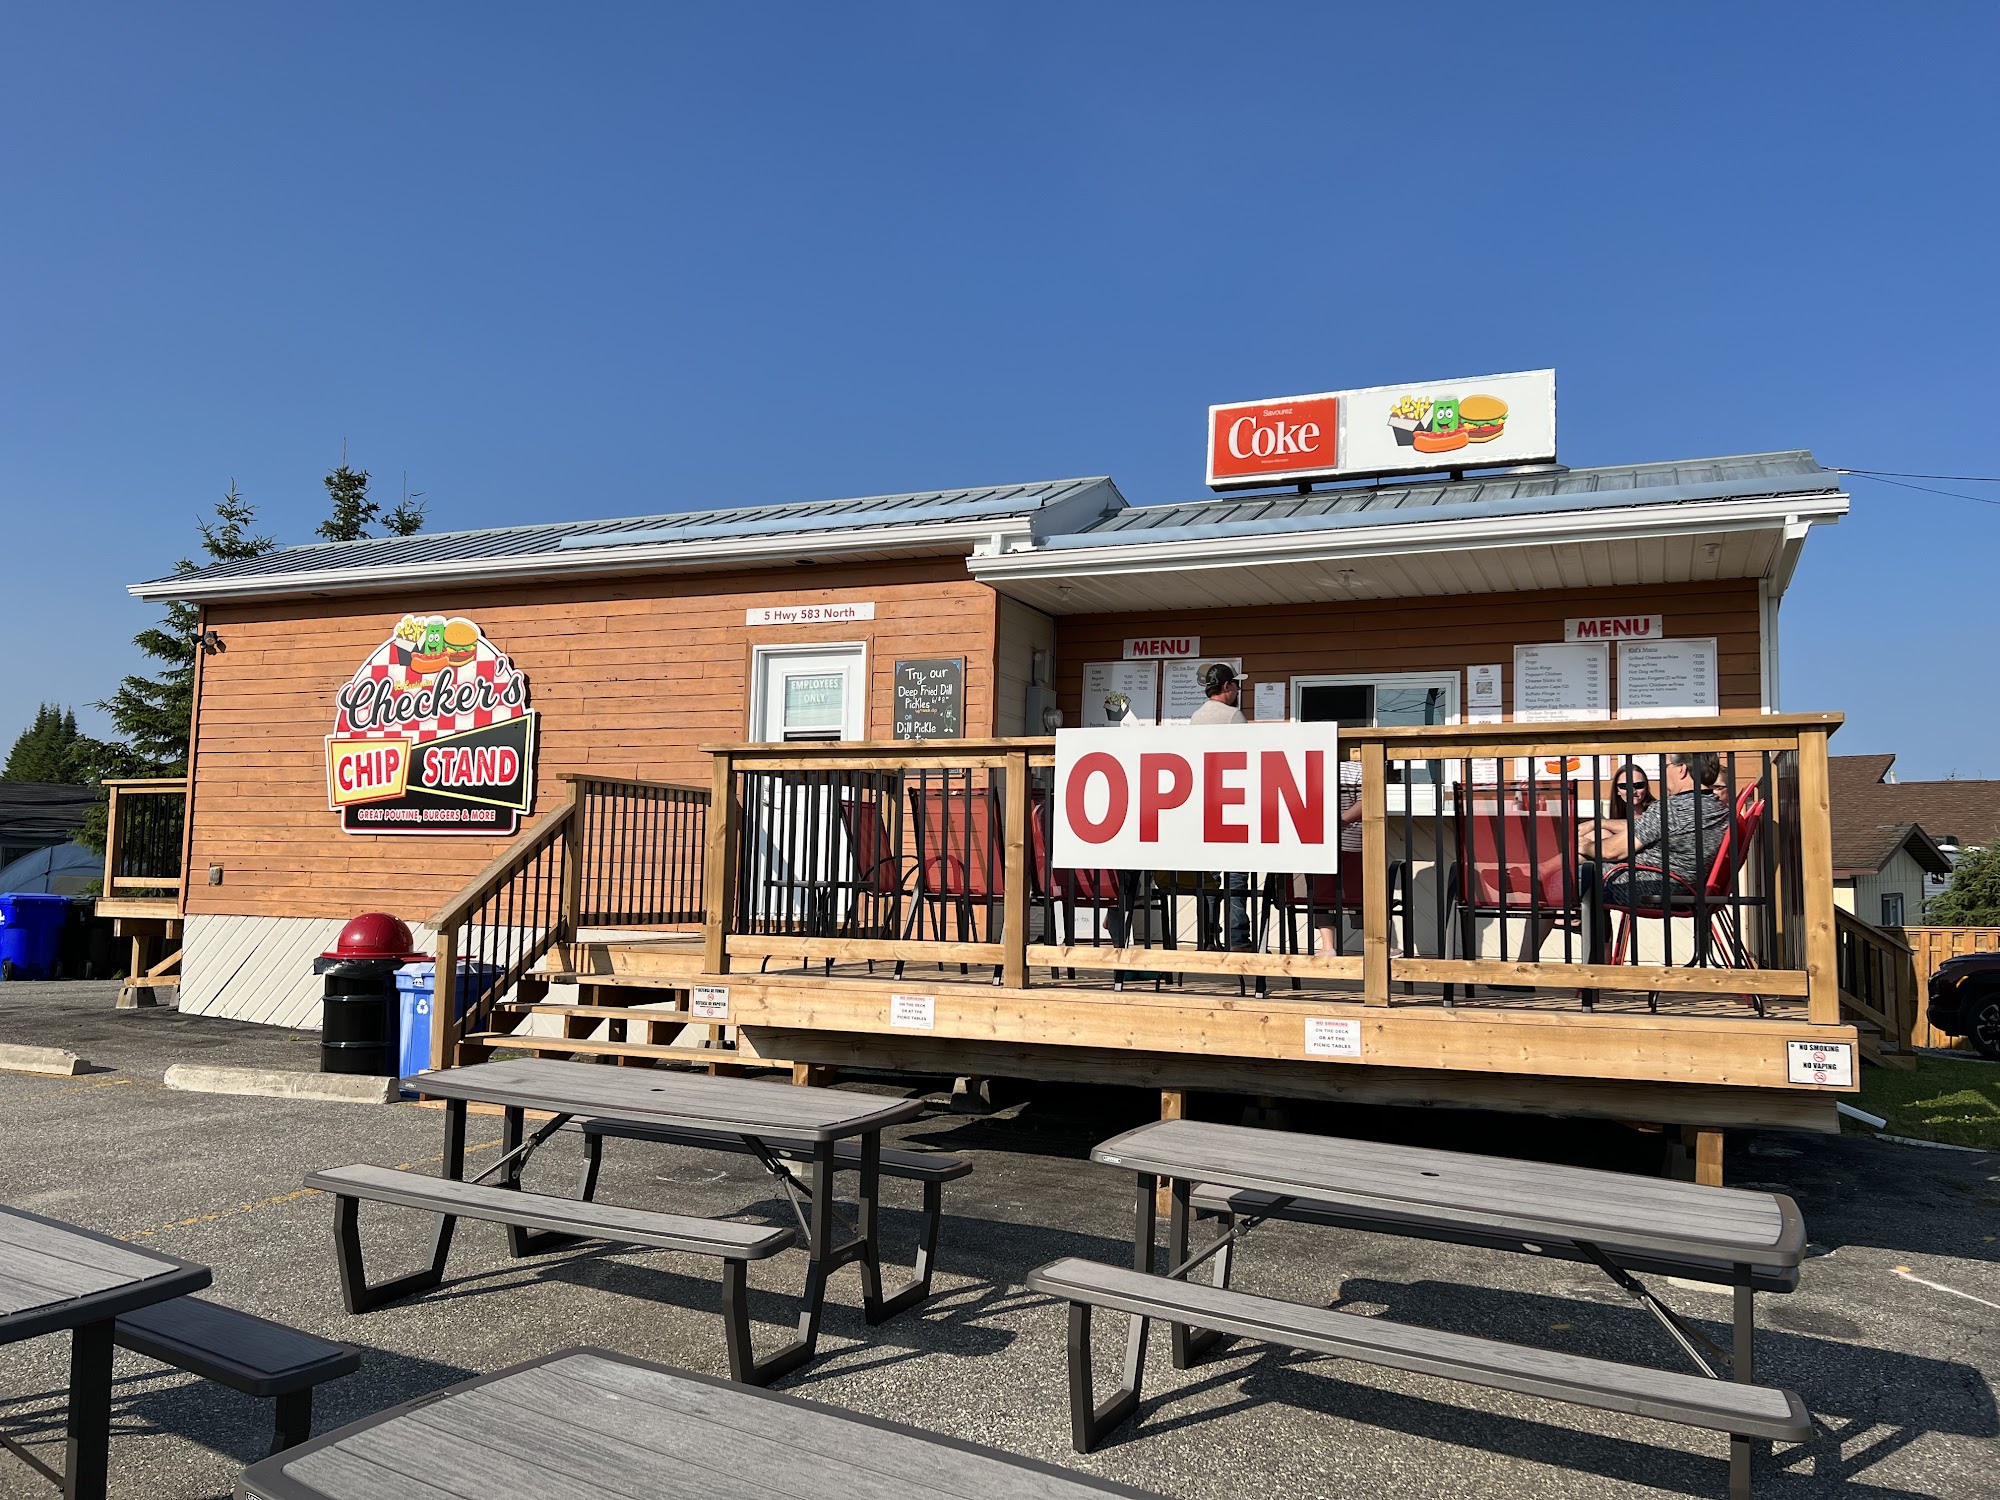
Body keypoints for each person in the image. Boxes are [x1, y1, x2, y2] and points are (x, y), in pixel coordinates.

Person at [1579, 750, 1731, 955]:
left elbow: (1612, 851)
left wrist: (1580, 846)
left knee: (1571, 877)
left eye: (1666, 766)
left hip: (1653, 887)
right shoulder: (1718, 808)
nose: (1662, 773)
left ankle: (1587, 956)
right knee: (1579, 872)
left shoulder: (1672, 808)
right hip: (1685, 886)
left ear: (1681, 770)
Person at [1189, 663, 1253, 951]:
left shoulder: (1196, 717)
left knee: (1210, 881)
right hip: (1233, 806)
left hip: (1204, 808)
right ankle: (1238, 939)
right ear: (1227, 687)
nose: (1239, 689)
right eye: (1236, 684)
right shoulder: (1232, 716)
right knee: (1236, 879)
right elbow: (1246, 759)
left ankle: (1207, 937)